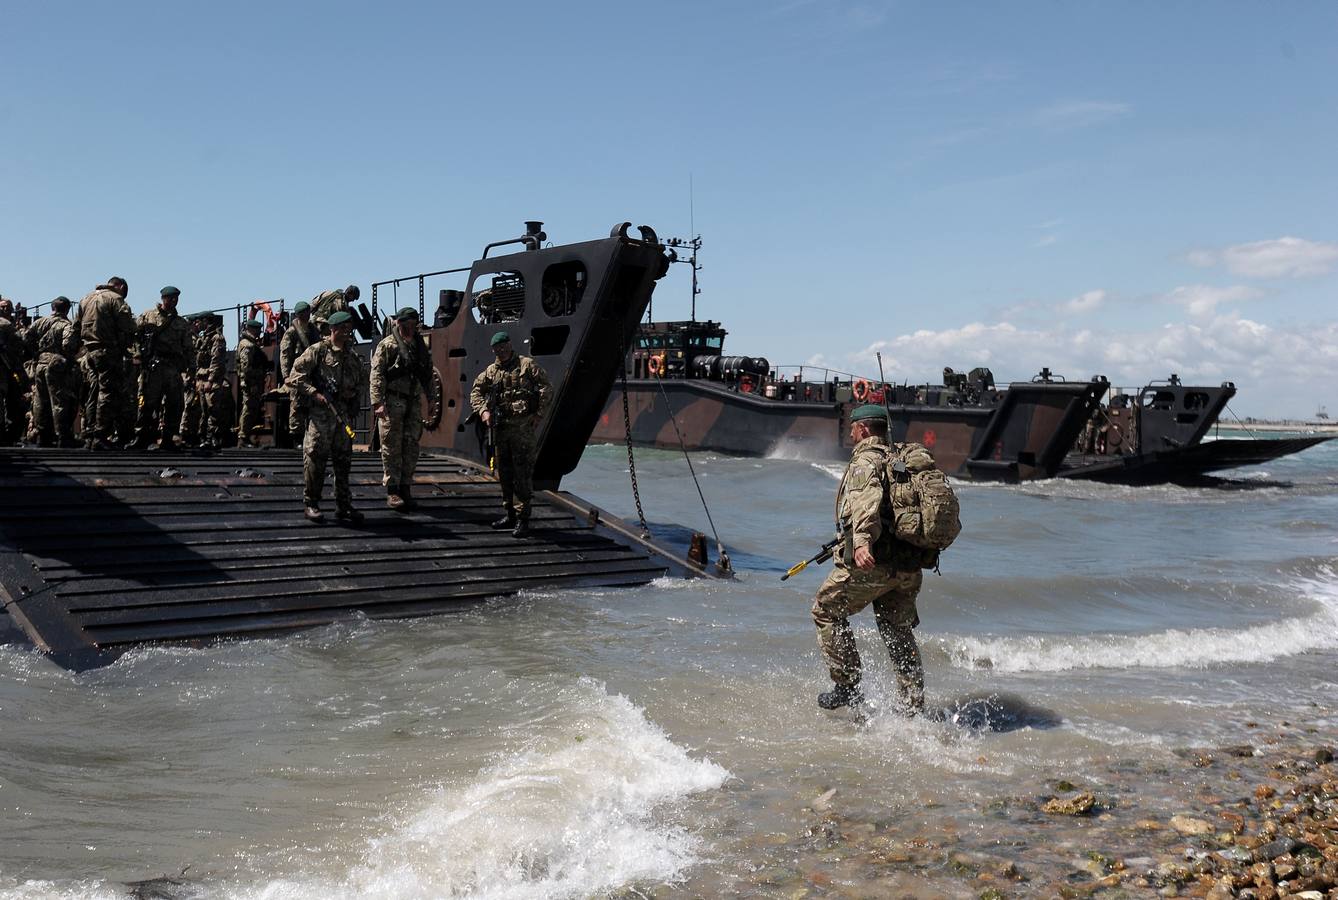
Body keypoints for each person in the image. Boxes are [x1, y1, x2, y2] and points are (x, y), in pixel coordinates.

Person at [810, 403, 926, 714]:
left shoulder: (865, 460)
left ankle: (847, 684)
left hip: (875, 561)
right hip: (909, 564)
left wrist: (861, 543)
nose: (849, 432)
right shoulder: (901, 459)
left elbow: (867, 502)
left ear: (863, 430)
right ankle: (912, 705)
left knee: (825, 608)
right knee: (896, 629)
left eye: (852, 427)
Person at [468, 330, 551, 537]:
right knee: (504, 473)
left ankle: (523, 519)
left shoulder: (526, 366)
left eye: (504, 347)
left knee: (522, 474)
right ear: (493, 350)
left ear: (510, 345)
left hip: (522, 430)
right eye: (498, 348)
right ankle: (510, 514)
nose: (502, 351)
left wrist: (539, 415)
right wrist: (483, 411)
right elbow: (476, 391)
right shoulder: (491, 371)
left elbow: (546, 388)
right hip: (501, 430)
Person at [288, 310, 366, 523]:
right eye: (343, 328)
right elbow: (294, 376)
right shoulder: (318, 351)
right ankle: (311, 503)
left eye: (349, 328)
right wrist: (315, 392)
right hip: (321, 414)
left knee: (343, 460)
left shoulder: (351, 356)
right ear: (333, 329)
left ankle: (343, 504)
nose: (347, 332)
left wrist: (353, 393)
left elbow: (363, 380)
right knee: (315, 459)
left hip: (342, 414)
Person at [370, 307, 432, 510]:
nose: (410, 329)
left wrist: (431, 399)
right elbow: (377, 374)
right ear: (399, 324)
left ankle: (406, 486)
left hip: (412, 401)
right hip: (392, 401)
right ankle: (393, 490)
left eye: (413, 326)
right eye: (406, 325)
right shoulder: (387, 345)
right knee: (391, 446)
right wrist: (378, 402)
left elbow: (427, 374)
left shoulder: (419, 347)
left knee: (411, 445)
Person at [75, 277, 135, 450]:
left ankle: (89, 433)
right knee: (107, 392)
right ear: (121, 287)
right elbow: (128, 326)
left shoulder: (86, 298)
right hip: (108, 351)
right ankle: (100, 435)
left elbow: (76, 326)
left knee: (93, 392)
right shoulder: (116, 299)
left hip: (89, 352)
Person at [131, 286, 193, 450]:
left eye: (176, 298)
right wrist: (137, 355)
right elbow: (135, 336)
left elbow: (188, 349)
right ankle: (142, 436)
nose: (174, 301)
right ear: (163, 298)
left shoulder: (181, 323)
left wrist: (190, 370)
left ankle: (168, 437)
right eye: (170, 298)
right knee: (146, 402)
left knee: (174, 403)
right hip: (153, 366)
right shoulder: (148, 316)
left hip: (172, 367)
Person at [24, 296, 80, 446]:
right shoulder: (66, 325)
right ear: (67, 309)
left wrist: (37, 352)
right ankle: (63, 436)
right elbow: (68, 345)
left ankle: (43, 435)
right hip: (56, 365)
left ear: (52, 308)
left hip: (40, 363)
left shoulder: (40, 322)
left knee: (40, 401)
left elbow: (26, 338)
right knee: (59, 400)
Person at [279, 300, 320, 445]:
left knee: (311, 405)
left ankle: (309, 434)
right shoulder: (291, 332)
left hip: (311, 372)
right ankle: (296, 437)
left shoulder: (313, 330)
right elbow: (285, 354)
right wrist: (286, 376)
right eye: (305, 312)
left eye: (308, 311)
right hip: (296, 373)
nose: (308, 314)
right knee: (296, 404)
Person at [235, 319, 270, 446]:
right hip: (251, 382)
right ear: (251, 329)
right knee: (249, 408)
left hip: (252, 381)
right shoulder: (248, 345)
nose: (259, 332)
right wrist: (252, 383)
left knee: (251, 408)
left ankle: (245, 435)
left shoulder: (249, 343)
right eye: (257, 329)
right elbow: (246, 367)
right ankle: (243, 437)